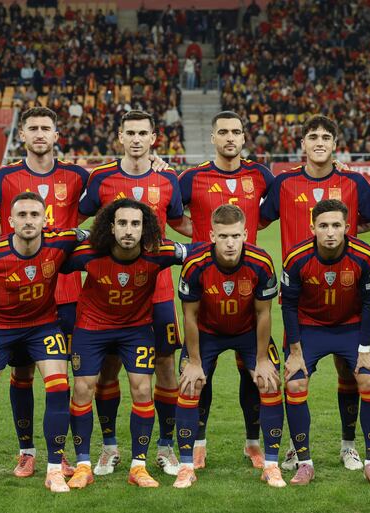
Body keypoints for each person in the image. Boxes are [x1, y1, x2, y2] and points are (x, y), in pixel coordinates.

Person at [260, 115, 370, 471]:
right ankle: (296, 449)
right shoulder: (284, 183)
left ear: (334, 144)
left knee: (350, 373)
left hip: (346, 296)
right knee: (294, 377)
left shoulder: (352, 181)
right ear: (303, 144)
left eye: (325, 137)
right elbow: (259, 219)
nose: (319, 142)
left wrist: (341, 237)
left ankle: (349, 446)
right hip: (301, 299)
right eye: (312, 136)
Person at [79, 110, 189, 476]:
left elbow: (179, 222)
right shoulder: (101, 178)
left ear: (154, 138)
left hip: (158, 292)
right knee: (108, 368)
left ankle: (165, 447)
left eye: (144, 133)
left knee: (166, 367)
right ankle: (109, 447)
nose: (137, 139)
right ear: (120, 137)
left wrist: (222, 238)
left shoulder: (167, 178)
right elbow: (73, 217)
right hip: (111, 294)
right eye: (131, 133)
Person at [0, 107, 88, 478]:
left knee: (67, 377)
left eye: (46, 128)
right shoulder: (2, 177)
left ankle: (62, 454)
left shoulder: (78, 175)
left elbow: (114, 188)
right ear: (22, 135)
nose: (40, 133)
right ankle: (26, 452)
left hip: (68, 293)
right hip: (21, 296)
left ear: (56, 135)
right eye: (33, 128)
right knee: (22, 374)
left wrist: (155, 163)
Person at [0, 192, 87, 493]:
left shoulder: (62, 240)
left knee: (58, 388)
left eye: (34, 215)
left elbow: (95, 235)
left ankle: (54, 470)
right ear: (10, 221)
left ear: (45, 220)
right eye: (22, 215)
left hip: (43, 326)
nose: (28, 221)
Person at [64, 199, 188, 489]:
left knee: (143, 388)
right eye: (122, 223)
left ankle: (138, 466)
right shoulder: (88, 253)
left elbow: (199, 254)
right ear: (111, 227)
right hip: (91, 328)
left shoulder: (159, 253)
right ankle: (83, 465)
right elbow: (51, 260)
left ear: (145, 228)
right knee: (82, 388)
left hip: (135, 329)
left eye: (135, 223)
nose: (128, 230)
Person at [178, 110, 275, 469]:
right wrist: (201, 240)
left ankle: (253, 444)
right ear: (213, 138)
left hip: (247, 286)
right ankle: (198, 444)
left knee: (254, 374)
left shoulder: (260, 175)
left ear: (244, 137)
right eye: (223, 132)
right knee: (199, 376)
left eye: (236, 131)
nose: (230, 137)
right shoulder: (192, 177)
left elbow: (271, 211)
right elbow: (172, 214)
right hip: (207, 285)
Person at [173, 205, 284, 489]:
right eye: (223, 236)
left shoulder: (261, 262)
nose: (230, 243)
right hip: (207, 332)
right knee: (190, 384)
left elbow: (263, 313)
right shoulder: (196, 264)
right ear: (212, 236)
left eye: (235, 236)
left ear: (245, 234)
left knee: (269, 381)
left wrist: (262, 359)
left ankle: (270, 464)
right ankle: (187, 463)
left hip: (247, 332)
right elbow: (190, 316)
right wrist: (194, 362)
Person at [280, 199, 370, 487]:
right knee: (295, 383)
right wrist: (295, 351)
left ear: (347, 227)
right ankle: (304, 463)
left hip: (351, 327)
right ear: (312, 228)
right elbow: (288, 306)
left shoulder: (364, 256)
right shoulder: (296, 258)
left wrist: (364, 350)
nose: (330, 232)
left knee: (369, 378)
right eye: (324, 226)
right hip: (310, 328)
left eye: (336, 225)